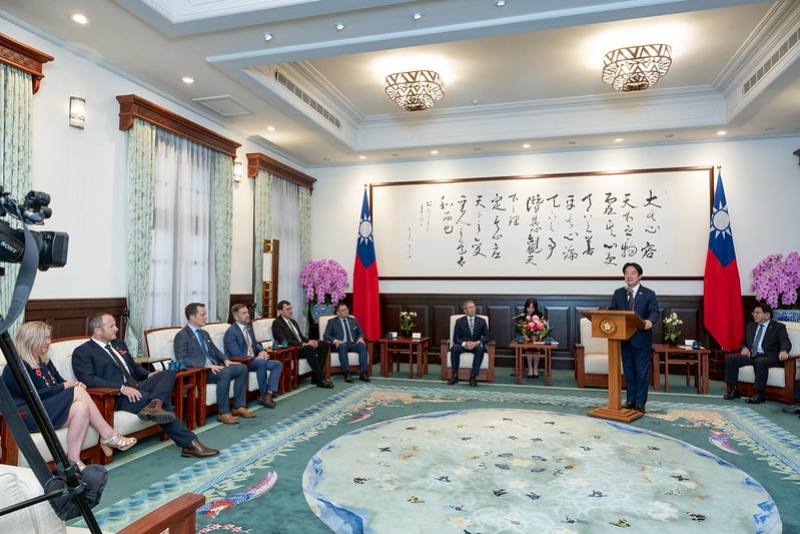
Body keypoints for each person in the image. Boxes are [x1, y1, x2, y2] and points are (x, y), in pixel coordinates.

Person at [72, 313, 218, 458]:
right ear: (98, 330)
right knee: (154, 401)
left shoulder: (119, 344)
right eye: (112, 326)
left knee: (168, 373)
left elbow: (133, 367)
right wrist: (121, 388)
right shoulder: (82, 352)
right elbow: (89, 380)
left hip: (136, 385)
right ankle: (190, 443)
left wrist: (149, 375)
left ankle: (155, 404)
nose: (116, 329)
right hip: (116, 395)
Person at [2, 321, 137, 469]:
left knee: (81, 408)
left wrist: (73, 385)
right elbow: (33, 396)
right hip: (24, 415)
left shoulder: (43, 360)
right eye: (45, 338)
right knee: (77, 392)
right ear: (31, 339)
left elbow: (60, 382)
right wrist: (68, 387)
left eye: (49, 337)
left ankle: (73, 461)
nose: (49, 341)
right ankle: (108, 435)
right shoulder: (15, 366)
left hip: (44, 409)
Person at [174, 303, 254, 424]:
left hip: (215, 368)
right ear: (192, 317)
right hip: (201, 372)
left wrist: (226, 360)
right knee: (225, 372)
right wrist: (206, 365)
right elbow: (182, 359)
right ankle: (223, 413)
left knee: (242, 368)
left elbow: (215, 350)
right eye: (202, 315)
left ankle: (239, 407)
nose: (205, 317)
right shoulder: (182, 336)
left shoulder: (204, 333)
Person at [609, 262, 659, 413]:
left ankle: (640, 403)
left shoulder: (649, 293)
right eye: (626, 273)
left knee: (641, 372)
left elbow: (654, 311)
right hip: (624, 339)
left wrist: (650, 321)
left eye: (632, 273)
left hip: (641, 339)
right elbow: (612, 311)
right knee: (629, 372)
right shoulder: (618, 293)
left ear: (639, 276)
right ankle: (630, 400)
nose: (629, 276)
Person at [723, 302, 791, 404]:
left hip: (769, 357)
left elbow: (785, 340)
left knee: (759, 361)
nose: (754, 315)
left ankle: (759, 394)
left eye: (758, 313)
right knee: (731, 358)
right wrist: (744, 348)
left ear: (767, 315)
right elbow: (744, 342)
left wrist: (784, 350)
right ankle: (733, 389)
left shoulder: (778, 327)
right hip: (752, 355)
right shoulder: (751, 326)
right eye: (753, 312)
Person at [223, 303, 283, 409]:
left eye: (247, 312)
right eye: (244, 313)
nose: (248, 315)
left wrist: (262, 351)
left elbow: (255, 344)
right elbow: (236, 355)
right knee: (261, 363)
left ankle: (268, 393)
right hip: (242, 363)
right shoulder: (231, 333)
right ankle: (263, 393)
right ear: (236, 317)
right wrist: (255, 358)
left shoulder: (249, 327)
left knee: (277, 364)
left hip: (254, 360)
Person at [272, 300, 333, 389]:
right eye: (287, 309)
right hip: (292, 350)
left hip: (302, 346)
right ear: (280, 311)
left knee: (324, 344)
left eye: (291, 308)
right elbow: (284, 341)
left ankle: (315, 377)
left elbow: (300, 336)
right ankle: (320, 379)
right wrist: (303, 344)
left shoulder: (293, 322)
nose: (290, 311)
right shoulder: (277, 323)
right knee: (309, 348)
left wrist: (309, 341)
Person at [323, 303, 370, 383]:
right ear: (338, 313)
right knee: (343, 346)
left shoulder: (353, 320)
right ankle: (347, 373)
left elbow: (360, 332)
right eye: (343, 310)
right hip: (341, 344)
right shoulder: (332, 322)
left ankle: (363, 373)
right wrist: (335, 340)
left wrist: (360, 338)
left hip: (353, 344)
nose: (346, 311)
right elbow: (326, 335)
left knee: (362, 345)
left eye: (346, 309)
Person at [448, 300, 491, 387]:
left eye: (474, 307)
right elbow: (456, 338)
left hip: (476, 345)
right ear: (465, 310)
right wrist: (465, 344)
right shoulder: (459, 321)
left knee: (480, 349)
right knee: (455, 348)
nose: (473, 309)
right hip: (464, 345)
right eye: (470, 307)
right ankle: (455, 375)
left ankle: (473, 376)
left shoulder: (481, 321)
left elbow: (487, 336)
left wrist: (478, 342)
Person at [515, 297, 544, 378]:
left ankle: (535, 369)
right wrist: (525, 336)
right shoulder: (523, 315)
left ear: (535, 307)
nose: (530, 309)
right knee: (528, 348)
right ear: (526, 307)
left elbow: (543, 327)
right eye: (528, 307)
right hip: (526, 337)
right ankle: (530, 369)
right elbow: (521, 329)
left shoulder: (539, 314)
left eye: (532, 307)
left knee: (536, 349)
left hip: (537, 337)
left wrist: (540, 335)